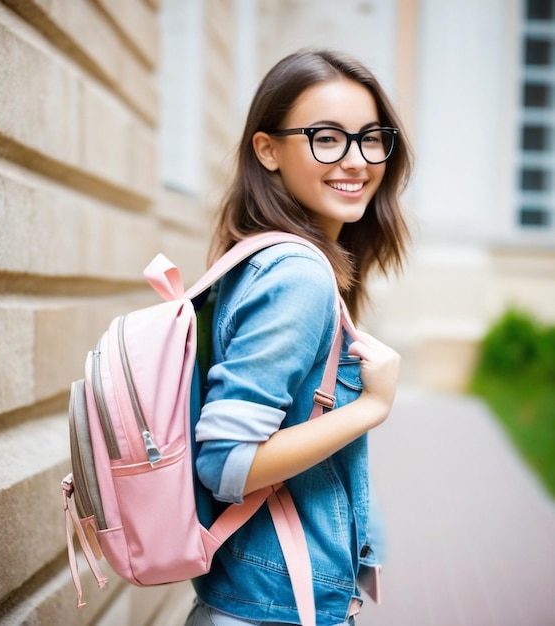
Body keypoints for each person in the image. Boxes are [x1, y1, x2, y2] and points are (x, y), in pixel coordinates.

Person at [185, 49, 413, 626]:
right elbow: (228, 462)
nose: (356, 160)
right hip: (274, 609)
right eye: (327, 138)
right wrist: (372, 407)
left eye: (370, 138)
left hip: (258, 595)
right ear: (268, 150)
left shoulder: (262, 257)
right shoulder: (297, 273)